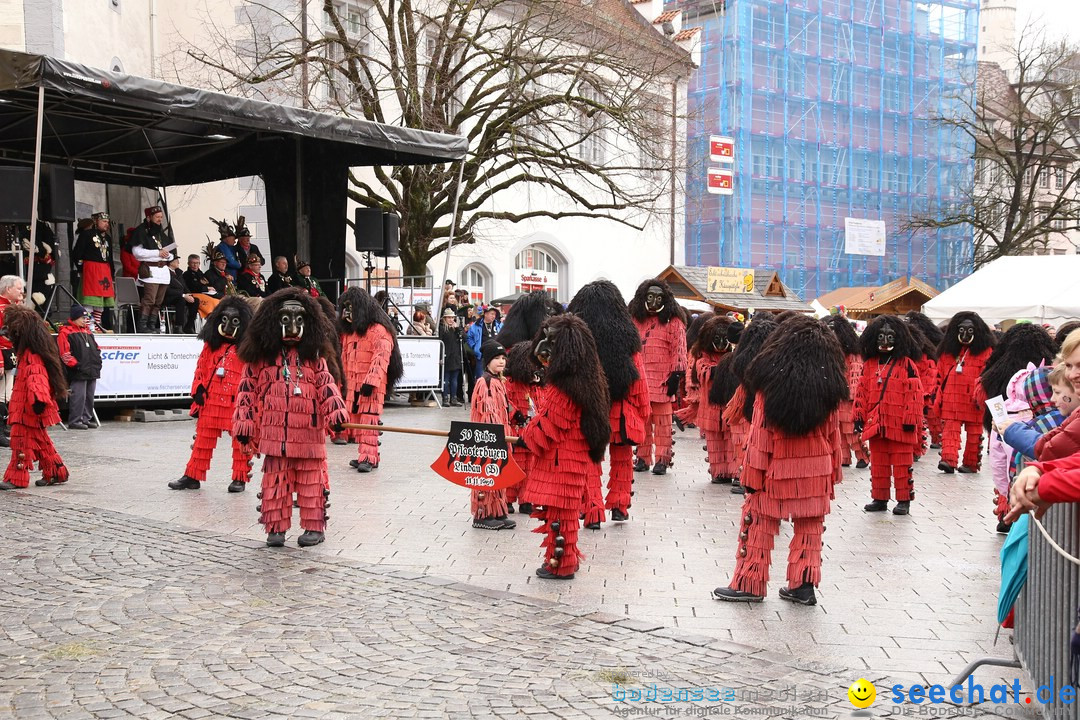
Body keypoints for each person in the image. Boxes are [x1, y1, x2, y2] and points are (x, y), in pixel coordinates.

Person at [711, 315, 847, 605]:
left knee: (758, 520)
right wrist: (833, 473)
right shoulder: (830, 388)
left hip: (775, 468)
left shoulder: (768, 385)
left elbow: (761, 435)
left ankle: (750, 583)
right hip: (817, 469)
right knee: (810, 528)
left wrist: (752, 476)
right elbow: (834, 435)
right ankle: (803, 586)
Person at [234, 288, 348, 547]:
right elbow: (246, 392)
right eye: (286, 320)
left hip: (308, 434)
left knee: (311, 483)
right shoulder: (260, 359)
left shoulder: (315, 358)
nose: (294, 328)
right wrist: (245, 424)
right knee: (275, 482)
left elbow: (327, 387)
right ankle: (275, 528)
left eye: (300, 321)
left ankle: (313, 527)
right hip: (275, 437)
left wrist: (337, 415)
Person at [520, 315, 610, 580]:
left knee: (560, 513)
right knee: (564, 512)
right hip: (566, 456)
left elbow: (552, 422)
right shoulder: (584, 380)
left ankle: (561, 564)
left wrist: (527, 435)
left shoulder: (567, 388)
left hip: (562, 457)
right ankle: (565, 558)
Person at [567, 280, 650, 527]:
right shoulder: (628, 339)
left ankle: (592, 510)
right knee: (623, 458)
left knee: (591, 460)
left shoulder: (577, 341)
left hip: (590, 409)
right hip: (621, 411)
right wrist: (642, 411)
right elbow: (639, 379)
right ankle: (620, 506)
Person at [172, 297, 255, 493]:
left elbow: (254, 376)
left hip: (238, 403)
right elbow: (201, 368)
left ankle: (239, 478)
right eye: (224, 320)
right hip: (211, 401)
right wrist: (198, 389)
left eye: (234, 321)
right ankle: (192, 476)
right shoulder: (211, 345)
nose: (227, 326)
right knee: (202, 439)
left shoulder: (249, 350)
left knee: (241, 441)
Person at [853, 316, 925, 515]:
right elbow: (862, 393)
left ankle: (904, 500)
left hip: (901, 424)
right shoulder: (869, 365)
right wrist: (859, 417)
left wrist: (911, 420)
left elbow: (915, 394)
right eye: (881, 337)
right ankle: (880, 498)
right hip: (877, 424)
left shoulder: (907, 364)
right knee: (879, 464)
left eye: (890, 337)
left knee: (902, 465)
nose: (884, 342)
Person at [0, 305, 69, 490]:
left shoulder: (31, 355)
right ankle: (55, 471)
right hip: (29, 408)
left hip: (27, 409)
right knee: (42, 443)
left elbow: (36, 379)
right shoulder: (31, 352)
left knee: (20, 442)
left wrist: (38, 401)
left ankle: (17, 477)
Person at [336, 287, 403, 472]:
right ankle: (364, 455)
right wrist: (343, 382)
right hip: (353, 385)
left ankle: (369, 458)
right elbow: (345, 359)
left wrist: (371, 381)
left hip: (371, 386)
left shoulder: (379, 330)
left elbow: (381, 356)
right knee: (358, 422)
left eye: (351, 308)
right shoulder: (350, 333)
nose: (346, 313)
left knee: (369, 422)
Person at [628, 279, 687, 475]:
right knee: (642, 420)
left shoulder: (674, 322)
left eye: (658, 298)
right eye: (650, 297)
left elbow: (679, 349)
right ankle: (642, 458)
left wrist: (676, 375)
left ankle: (662, 459)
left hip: (663, 380)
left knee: (663, 423)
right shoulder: (636, 320)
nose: (653, 302)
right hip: (640, 380)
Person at [677, 315, 736, 487]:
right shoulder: (701, 354)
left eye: (724, 339)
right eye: (716, 339)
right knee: (714, 441)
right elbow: (703, 370)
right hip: (710, 404)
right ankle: (719, 472)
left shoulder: (733, 354)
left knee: (731, 440)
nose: (720, 344)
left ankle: (734, 472)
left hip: (729, 403)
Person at [934, 311, 995, 473]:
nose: (965, 335)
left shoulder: (986, 351)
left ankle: (971, 462)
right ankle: (948, 459)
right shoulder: (947, 351)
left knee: (975, 432)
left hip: (974, 399)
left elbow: (987, 375)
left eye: (970, 331)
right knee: (950, 429)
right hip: (951, 398)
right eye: (961, 330)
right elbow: (939, 374)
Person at [469, 341, 517, 530]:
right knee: (486, 474)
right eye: (496, 358)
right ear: (487, 361)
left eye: (503, 358)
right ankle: (482, 514)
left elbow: (503, 407)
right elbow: (487, 410)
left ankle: (497, 510)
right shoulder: (485, 382)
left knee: (498, 474)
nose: (501, 362)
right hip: (489, 437)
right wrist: (494, 433)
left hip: (501, 434)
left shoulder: (498, 381)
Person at [824, 315, 869, 469]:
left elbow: (856, 375)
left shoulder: (853, 354)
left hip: (848, 398)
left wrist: (852, 395)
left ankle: (862, 456)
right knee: (839, 430)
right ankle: (844, 457)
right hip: (836, 396)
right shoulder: (832, 353)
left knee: (852, 430)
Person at [57, 305, 101, 430]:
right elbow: (64, 354)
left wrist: (98, 362)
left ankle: (85, 419)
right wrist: (76, 365)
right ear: (75, 318)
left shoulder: (87, 331)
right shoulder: (65, 332)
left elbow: (96, 348)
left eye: (86, 317)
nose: (85, 320)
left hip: (91, 369)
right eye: (82, 317)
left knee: (89, 396)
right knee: (78, 396)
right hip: (78, 370)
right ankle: (75, 420)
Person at [129, 206, 173, 334]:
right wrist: (158, 253)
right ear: (149, 217)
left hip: (163, 271)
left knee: (158, 302)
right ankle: (142, 326)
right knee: (149, 300)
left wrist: (167, 255)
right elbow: (137, 253)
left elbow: (170, 253)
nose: (160, 220)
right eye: (157, 217)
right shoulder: (141, 231)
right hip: (151, 271)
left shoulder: (160, 233)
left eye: (161, 217)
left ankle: (152, 325)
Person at [71, 212, 115, 329]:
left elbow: (109, 258)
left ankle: (96, 325)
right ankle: (89, 325)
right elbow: (77, 253)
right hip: (91, 269)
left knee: (101, 301)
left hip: (104, 270)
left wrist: (112, 274)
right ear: (96, 222)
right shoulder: (86, 234)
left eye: (107, 222)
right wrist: (82, 268)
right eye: (104, 222)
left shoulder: (108, 238)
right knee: (90, 300)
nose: (107, 224)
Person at [0, 275, 26, 447]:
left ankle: (4, 426)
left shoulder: (14, 307)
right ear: (8, 289)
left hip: (12, 353)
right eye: (18, 288)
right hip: (3, 353)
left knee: (8, 392)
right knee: (1, 393)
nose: (21, 291)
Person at [163, 257, 198, 333]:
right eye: (176, 261)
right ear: (171, 262)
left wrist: (189, 294)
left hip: (180, 295)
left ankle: (189, 326)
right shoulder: (165, 272)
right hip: (169, 297)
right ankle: (178, 326)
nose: (178, 262)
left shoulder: (178, 273)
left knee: (195, 301)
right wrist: (183, 295)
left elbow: (184, 286)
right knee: (181, 300)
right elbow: (167, 290)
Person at [467, 306, 502, 380]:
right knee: (481, 377)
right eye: (491, 314)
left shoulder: (499, 325)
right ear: (485, 314)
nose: (493, 316)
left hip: (496, 355)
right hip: (481, 355)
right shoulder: (476, 325)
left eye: (494, 314)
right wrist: (474, 347)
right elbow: (469, 337)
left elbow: (505, 335)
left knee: (497, 377)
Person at [438, 307, 464, 406]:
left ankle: (453, 398)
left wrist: (458, 329)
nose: (451, 320)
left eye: (452, 318)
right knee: (445, 379)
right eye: (448, 318)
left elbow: (464, 338)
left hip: (456, 356)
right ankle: (445, 398)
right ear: (445, 318)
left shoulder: (456, 329)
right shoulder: (442, 328)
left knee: (454, 380)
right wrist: (440, 357)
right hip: (446, 356)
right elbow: (439, 343)